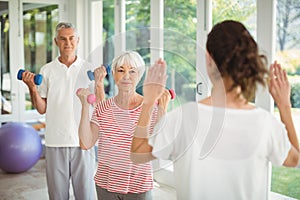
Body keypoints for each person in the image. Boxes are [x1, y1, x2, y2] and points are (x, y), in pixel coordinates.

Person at [130, 20, 300, 200]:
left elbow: (137, 154)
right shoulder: (265, 123)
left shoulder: (184, 118)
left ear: (209, 59)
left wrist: (148, 102)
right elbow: (295, 159)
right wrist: (284, 105)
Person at [21, 22, 106, 200]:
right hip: (55, 142)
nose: (68, 43)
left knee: (86, 195)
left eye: (71, 38)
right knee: (57, 196)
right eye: (63, 39)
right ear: (56, 41)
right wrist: (32, 88)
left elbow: (100, 107)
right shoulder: (47, 70)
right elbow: (42, 108)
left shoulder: (90, 70)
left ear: (78, 40)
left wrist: (98, 83)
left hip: (83, 142)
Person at [76, 51, 170, 200]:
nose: (126, 76)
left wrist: (163, 109)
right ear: (113, 74)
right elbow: (86, 143)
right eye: (121, 70)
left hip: (139, 186)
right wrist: (85, 107)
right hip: (106, 185)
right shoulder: (103, 108)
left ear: (139, 75)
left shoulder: (150, 107)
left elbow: (161, 146)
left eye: (132, 71)